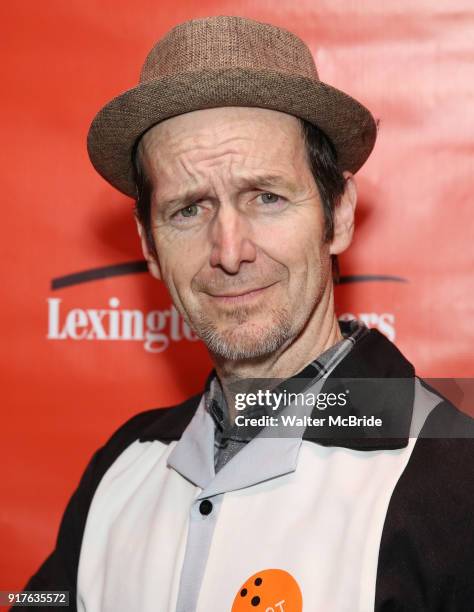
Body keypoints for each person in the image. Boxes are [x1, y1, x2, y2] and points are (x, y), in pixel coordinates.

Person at [24, 15, 473, 612]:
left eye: (266, 197)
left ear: (337, 215)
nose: (229, 252)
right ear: (148, 245)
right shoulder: (121, 466)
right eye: (189, 209)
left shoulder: (455, 478)